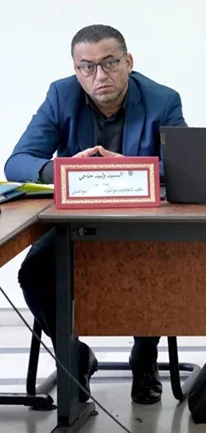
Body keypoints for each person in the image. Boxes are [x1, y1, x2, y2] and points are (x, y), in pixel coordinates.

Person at [4, 24, 187, 405]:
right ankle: (74, 356)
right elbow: (18, 162)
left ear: (128, 61)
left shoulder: (162, 99)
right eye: (87, 67)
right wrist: (64, 169)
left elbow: (185, 166)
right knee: (33, 274)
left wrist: (132, 169)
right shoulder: (61, 95)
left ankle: (145, 358)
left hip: (141, 223)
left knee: (158, 269)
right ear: (76, 70)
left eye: (109, 63)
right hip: (75, 223)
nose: (99, 75)